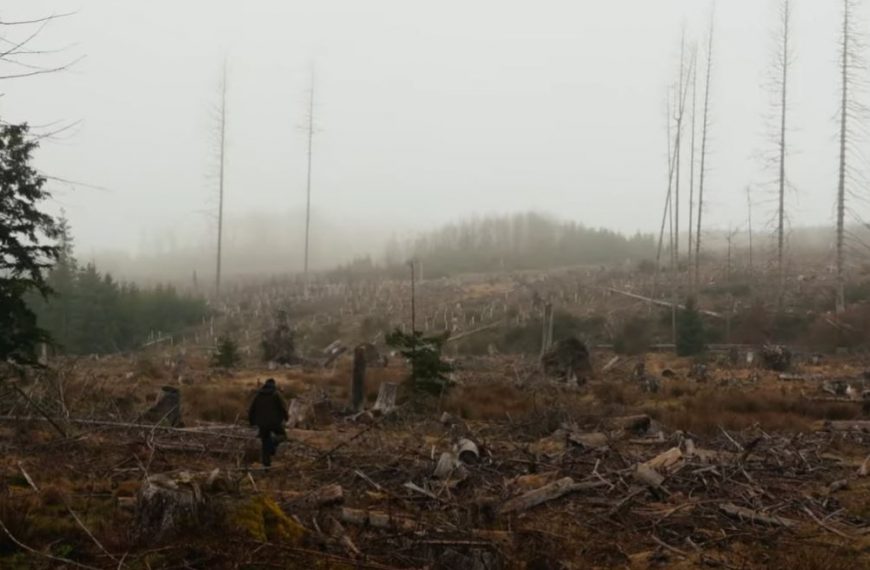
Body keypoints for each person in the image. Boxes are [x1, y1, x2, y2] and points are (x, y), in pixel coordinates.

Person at [248, 378, 288, 467]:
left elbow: (251, 410)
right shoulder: (276, 394)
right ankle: (273, 443)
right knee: (283, 436)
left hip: (261, 424)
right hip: (275, 423)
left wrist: (251, 422)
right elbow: (283, 407)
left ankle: (266, 466)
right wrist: (286, 418)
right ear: (274, 385)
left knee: (265, 444)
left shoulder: (258, 395)